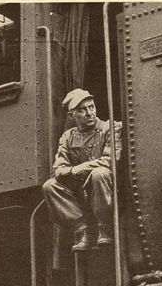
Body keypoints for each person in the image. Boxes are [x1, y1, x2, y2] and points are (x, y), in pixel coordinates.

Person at [42, 89, 122, 251]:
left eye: (91, 107)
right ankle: (84, 230)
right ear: (72, 116)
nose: (89, 113)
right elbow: (58, 170)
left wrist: (74, 170)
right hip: (81, 193)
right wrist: (73, 172)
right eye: (82, 110)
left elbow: (109, 161)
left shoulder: (111, 128)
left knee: (100, 173)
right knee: (50, 186)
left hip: (109, 191)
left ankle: (105, 229)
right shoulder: (67, 136)